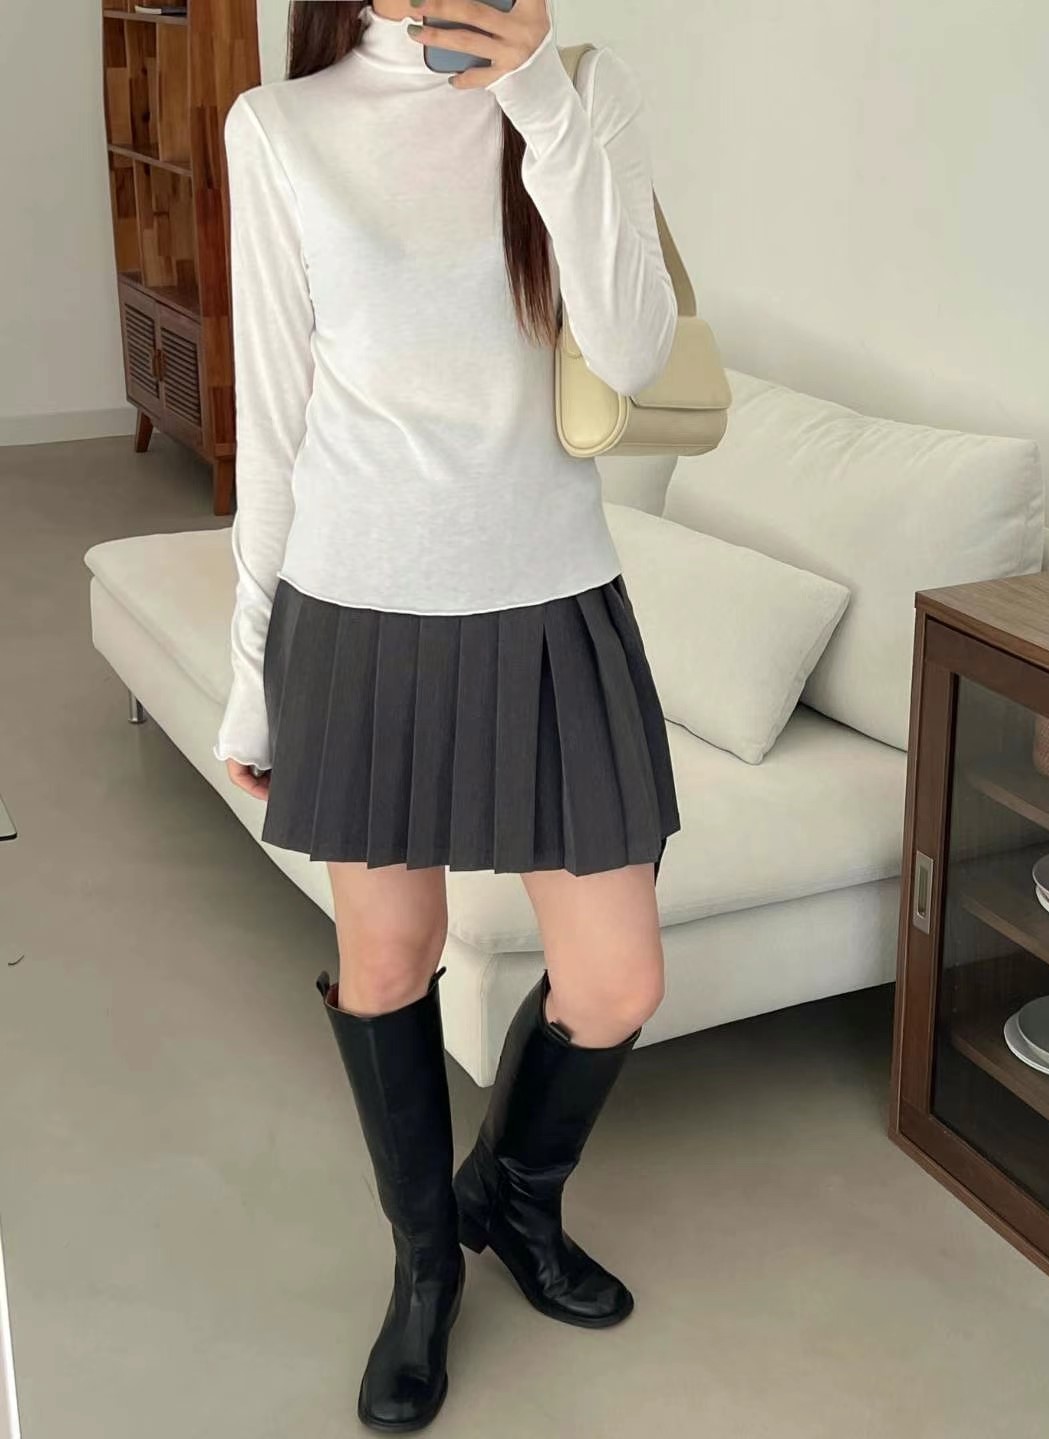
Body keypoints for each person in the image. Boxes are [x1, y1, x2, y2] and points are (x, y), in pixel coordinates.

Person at [213, 0, 680, 1429]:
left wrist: (539, 102)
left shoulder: (577, 91)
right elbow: (276, 418)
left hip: (552, 605)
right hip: (357, 611)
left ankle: (511, 1199)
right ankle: (427, 1267)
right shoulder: (281, 126)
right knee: (387, 957)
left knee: (617, 980)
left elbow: (637, 353)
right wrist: (251, 675)